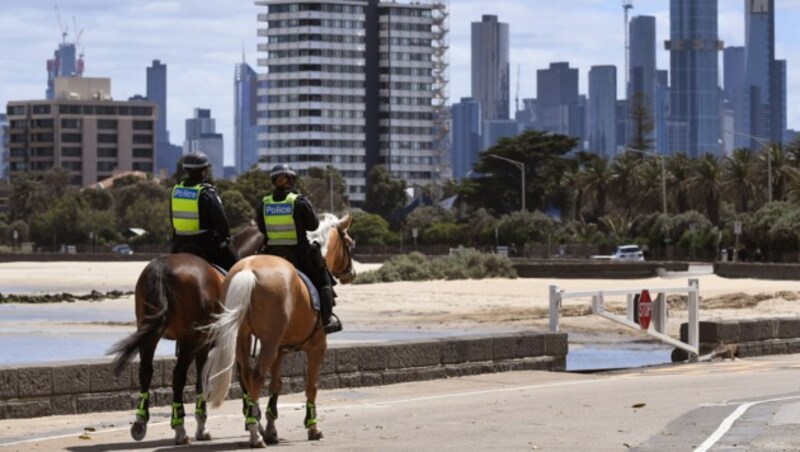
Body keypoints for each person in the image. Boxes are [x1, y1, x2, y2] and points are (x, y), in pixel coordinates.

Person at [256, 164, 342, 334]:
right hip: (298, 253)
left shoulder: (264, 203)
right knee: (323, 280)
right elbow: (313, 226)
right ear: (291, 180)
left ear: (275, 181)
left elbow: (261, 228)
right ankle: (326, 320)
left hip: (271, 252)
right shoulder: (299, 201)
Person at [170, 152, 239, 271]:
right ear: (204, 171)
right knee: (237, 270)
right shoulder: (206, 193)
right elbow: (220, 221)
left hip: (179, 243)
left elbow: (172, 218)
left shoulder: (176, 191)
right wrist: (225, 238)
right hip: (205, 244)